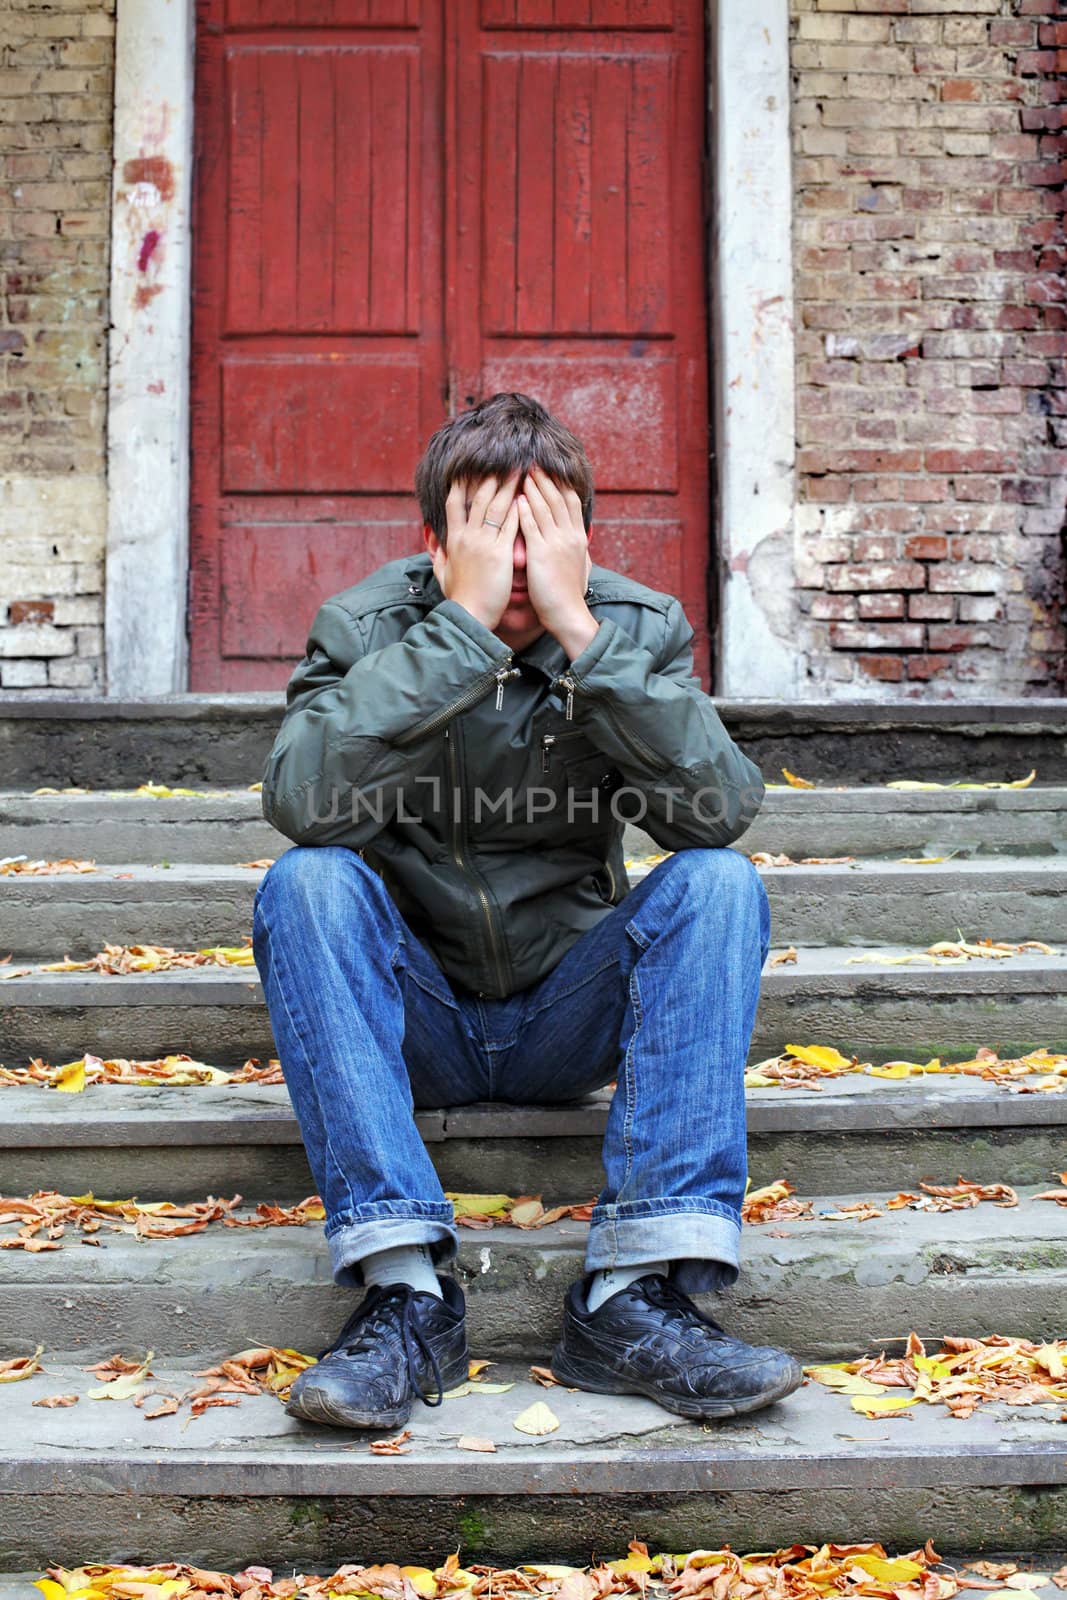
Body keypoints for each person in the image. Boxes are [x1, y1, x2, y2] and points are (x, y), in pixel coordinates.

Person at [252, 392, 803, 1432]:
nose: (514, 561)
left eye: (538, 532)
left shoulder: (631, 626)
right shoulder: (367, 626)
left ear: (579, 537)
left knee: (717, 885)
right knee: (307, 882)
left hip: (565, 1012)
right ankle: (406, 1290)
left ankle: (634, 1294)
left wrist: (584, 638)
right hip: (416, 1016)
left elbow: (716, 811)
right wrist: (456, 633)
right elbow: (304, 805)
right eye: (486, 534)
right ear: (434, 541)